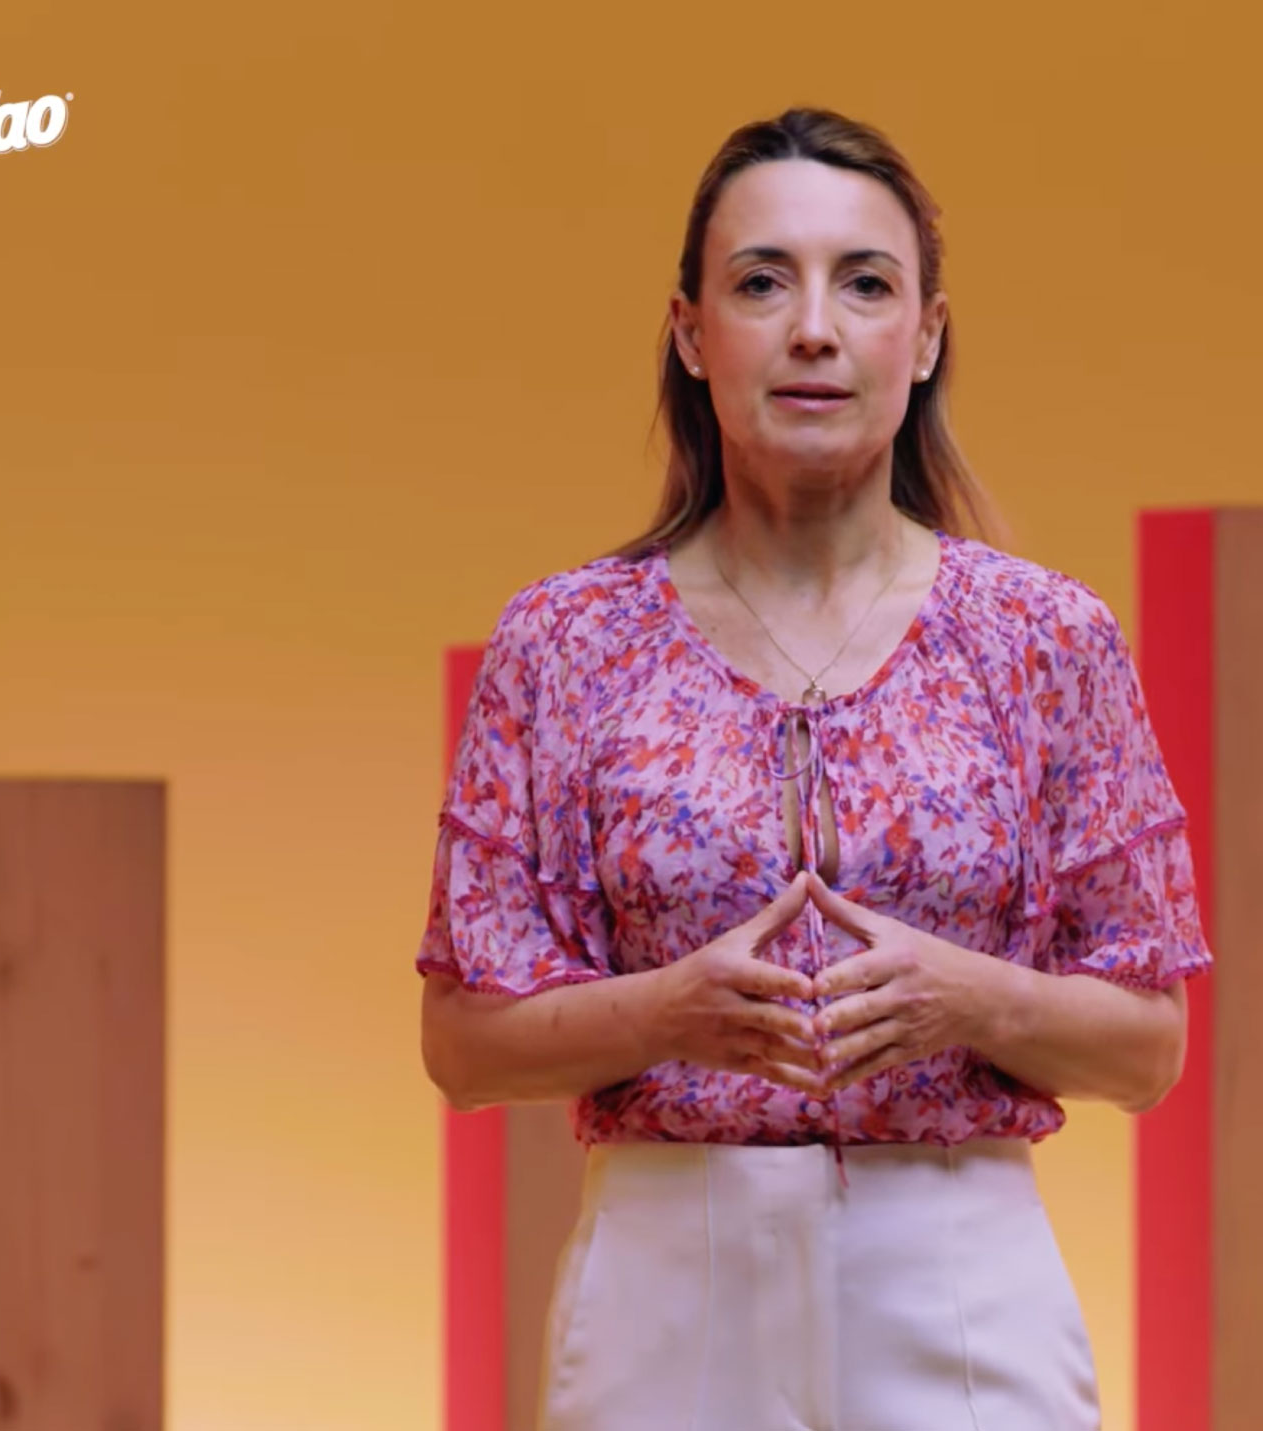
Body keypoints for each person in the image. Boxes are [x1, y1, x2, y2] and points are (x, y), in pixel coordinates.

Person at [414, 106, 1211, 1431]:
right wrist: (667, 1013)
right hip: (667, 1285)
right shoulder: (566, 641)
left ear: (928, 335)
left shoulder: (1042, 637)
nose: (814, 330)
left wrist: (970, 999)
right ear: (690, 333)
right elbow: (461, 1045)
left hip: (961, 1278)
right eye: (761, 283)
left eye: (865, 285)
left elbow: (1148, 1048)